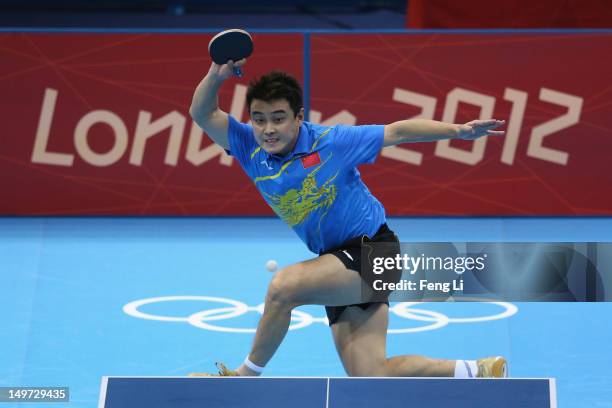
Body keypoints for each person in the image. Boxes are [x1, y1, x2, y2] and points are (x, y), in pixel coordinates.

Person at [188, 57, 507, 378]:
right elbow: (203, 113)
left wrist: (457, 131)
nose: (268, 129)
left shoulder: (330, 142)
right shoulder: (248, 146)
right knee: (370, 374)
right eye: (259, 119)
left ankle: (244, 377)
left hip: (374, 252)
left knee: (283, 288)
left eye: (278, 118)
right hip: (336, 262)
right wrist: (216, 75)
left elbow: (397, 131)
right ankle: (477, 370)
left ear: (298, 117)